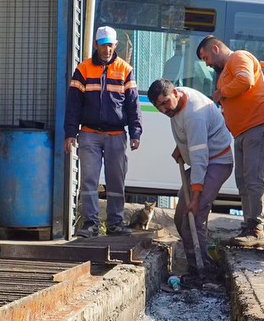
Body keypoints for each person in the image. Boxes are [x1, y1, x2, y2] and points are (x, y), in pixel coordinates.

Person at [196, 35, 264, 248]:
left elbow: (245, 81)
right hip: (244, 131)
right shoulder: (225, 73)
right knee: (243, 180)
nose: (206, 63)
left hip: (259, 125)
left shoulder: (238, 58)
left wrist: (220, 93)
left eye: (206, 57)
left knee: (253, 177)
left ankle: (256, 229)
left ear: (215, 49)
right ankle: (248, 227)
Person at [145, 78, 233, 284]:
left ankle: (203, 271)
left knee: (194, 215)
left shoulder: (194, 115)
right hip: (201, 159)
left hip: (216, 162)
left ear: (175, 93)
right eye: (159, 107)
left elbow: (200, 159)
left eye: (166, 103)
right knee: (180, 218)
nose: (164, 110)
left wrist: (196, 195)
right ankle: (198, 264)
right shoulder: (177, 102)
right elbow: (186, 134)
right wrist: (182, 146)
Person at [65, 25, 141, 236]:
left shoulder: (125, 69)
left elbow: (133, 105)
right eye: (103, 45)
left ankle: (115, 223)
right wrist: (70, 133)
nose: (107, 49)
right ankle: (91, 223)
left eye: (111, 45)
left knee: (116, 180)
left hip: (116, 135)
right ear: (96, 45)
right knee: (89, 180)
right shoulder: (83, 70)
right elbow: (73, 105)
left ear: (115, 45)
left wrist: (136, 133)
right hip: (89, 133)